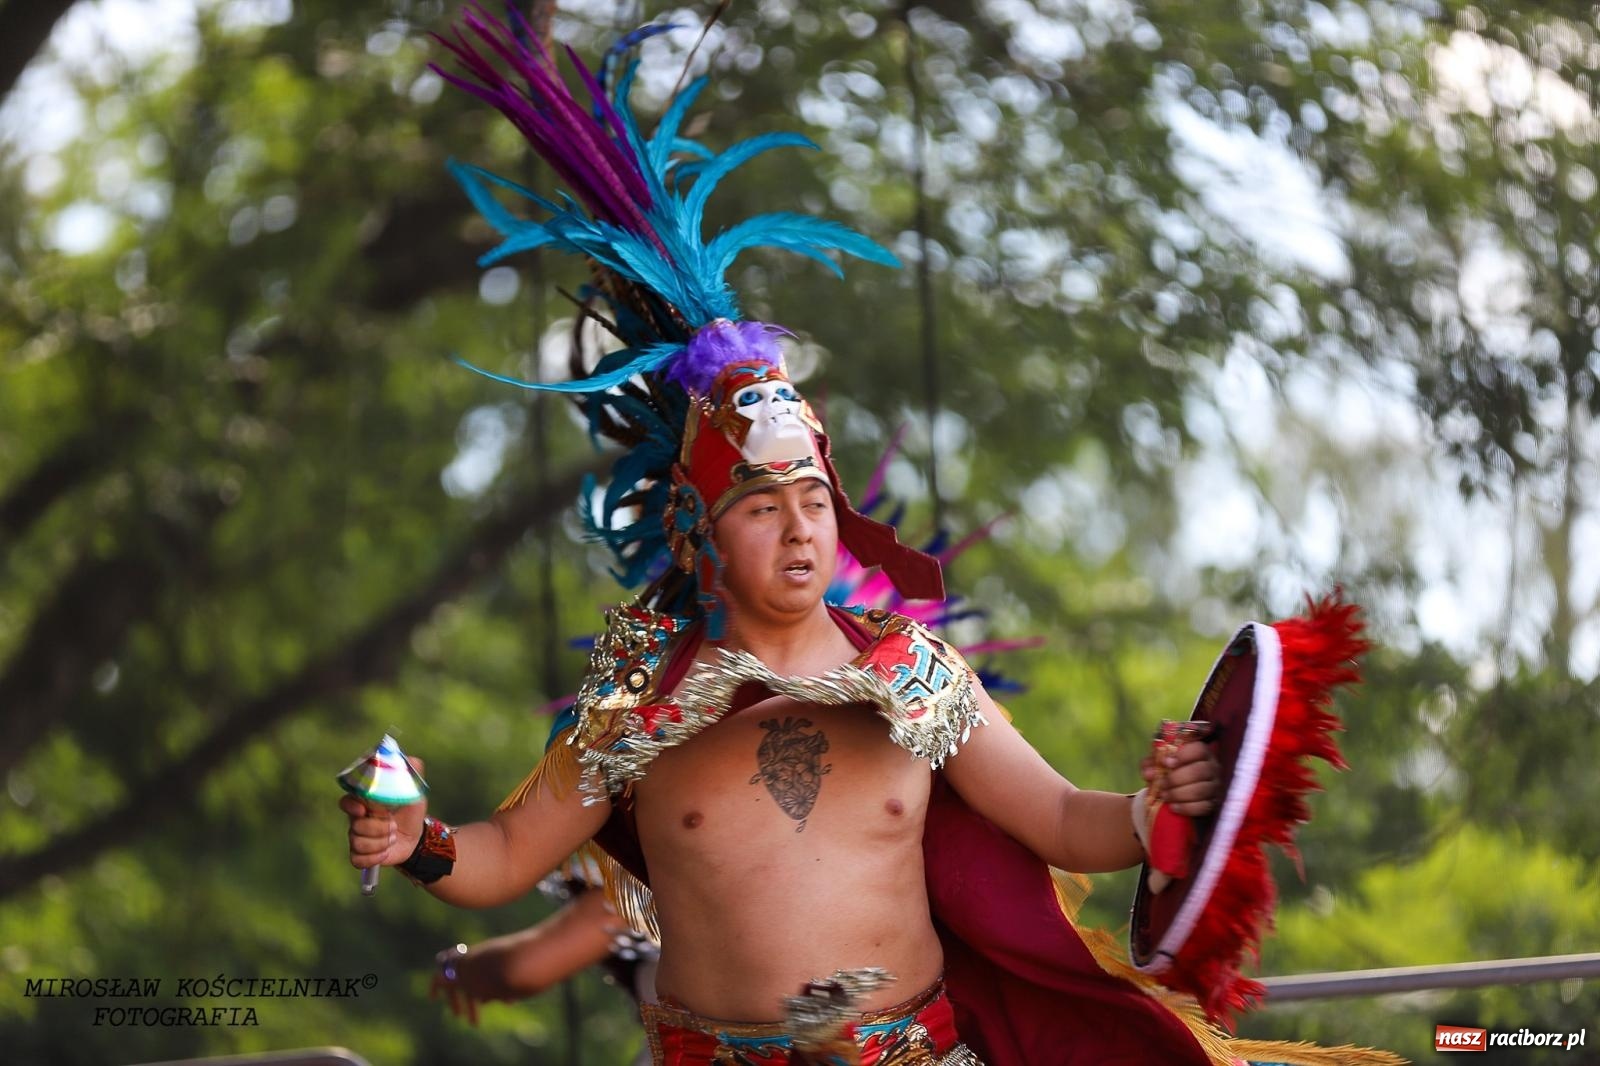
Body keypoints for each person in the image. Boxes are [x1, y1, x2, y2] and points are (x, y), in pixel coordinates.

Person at [344, 8, 1402, 1064]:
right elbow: (496, 857)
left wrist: (1151, 809)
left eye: (813, 502)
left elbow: (1062, 820)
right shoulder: (634, 696)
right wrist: (414, 840)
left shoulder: (914, 671)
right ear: (696, 530)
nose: (800, 531)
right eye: (763, 508)